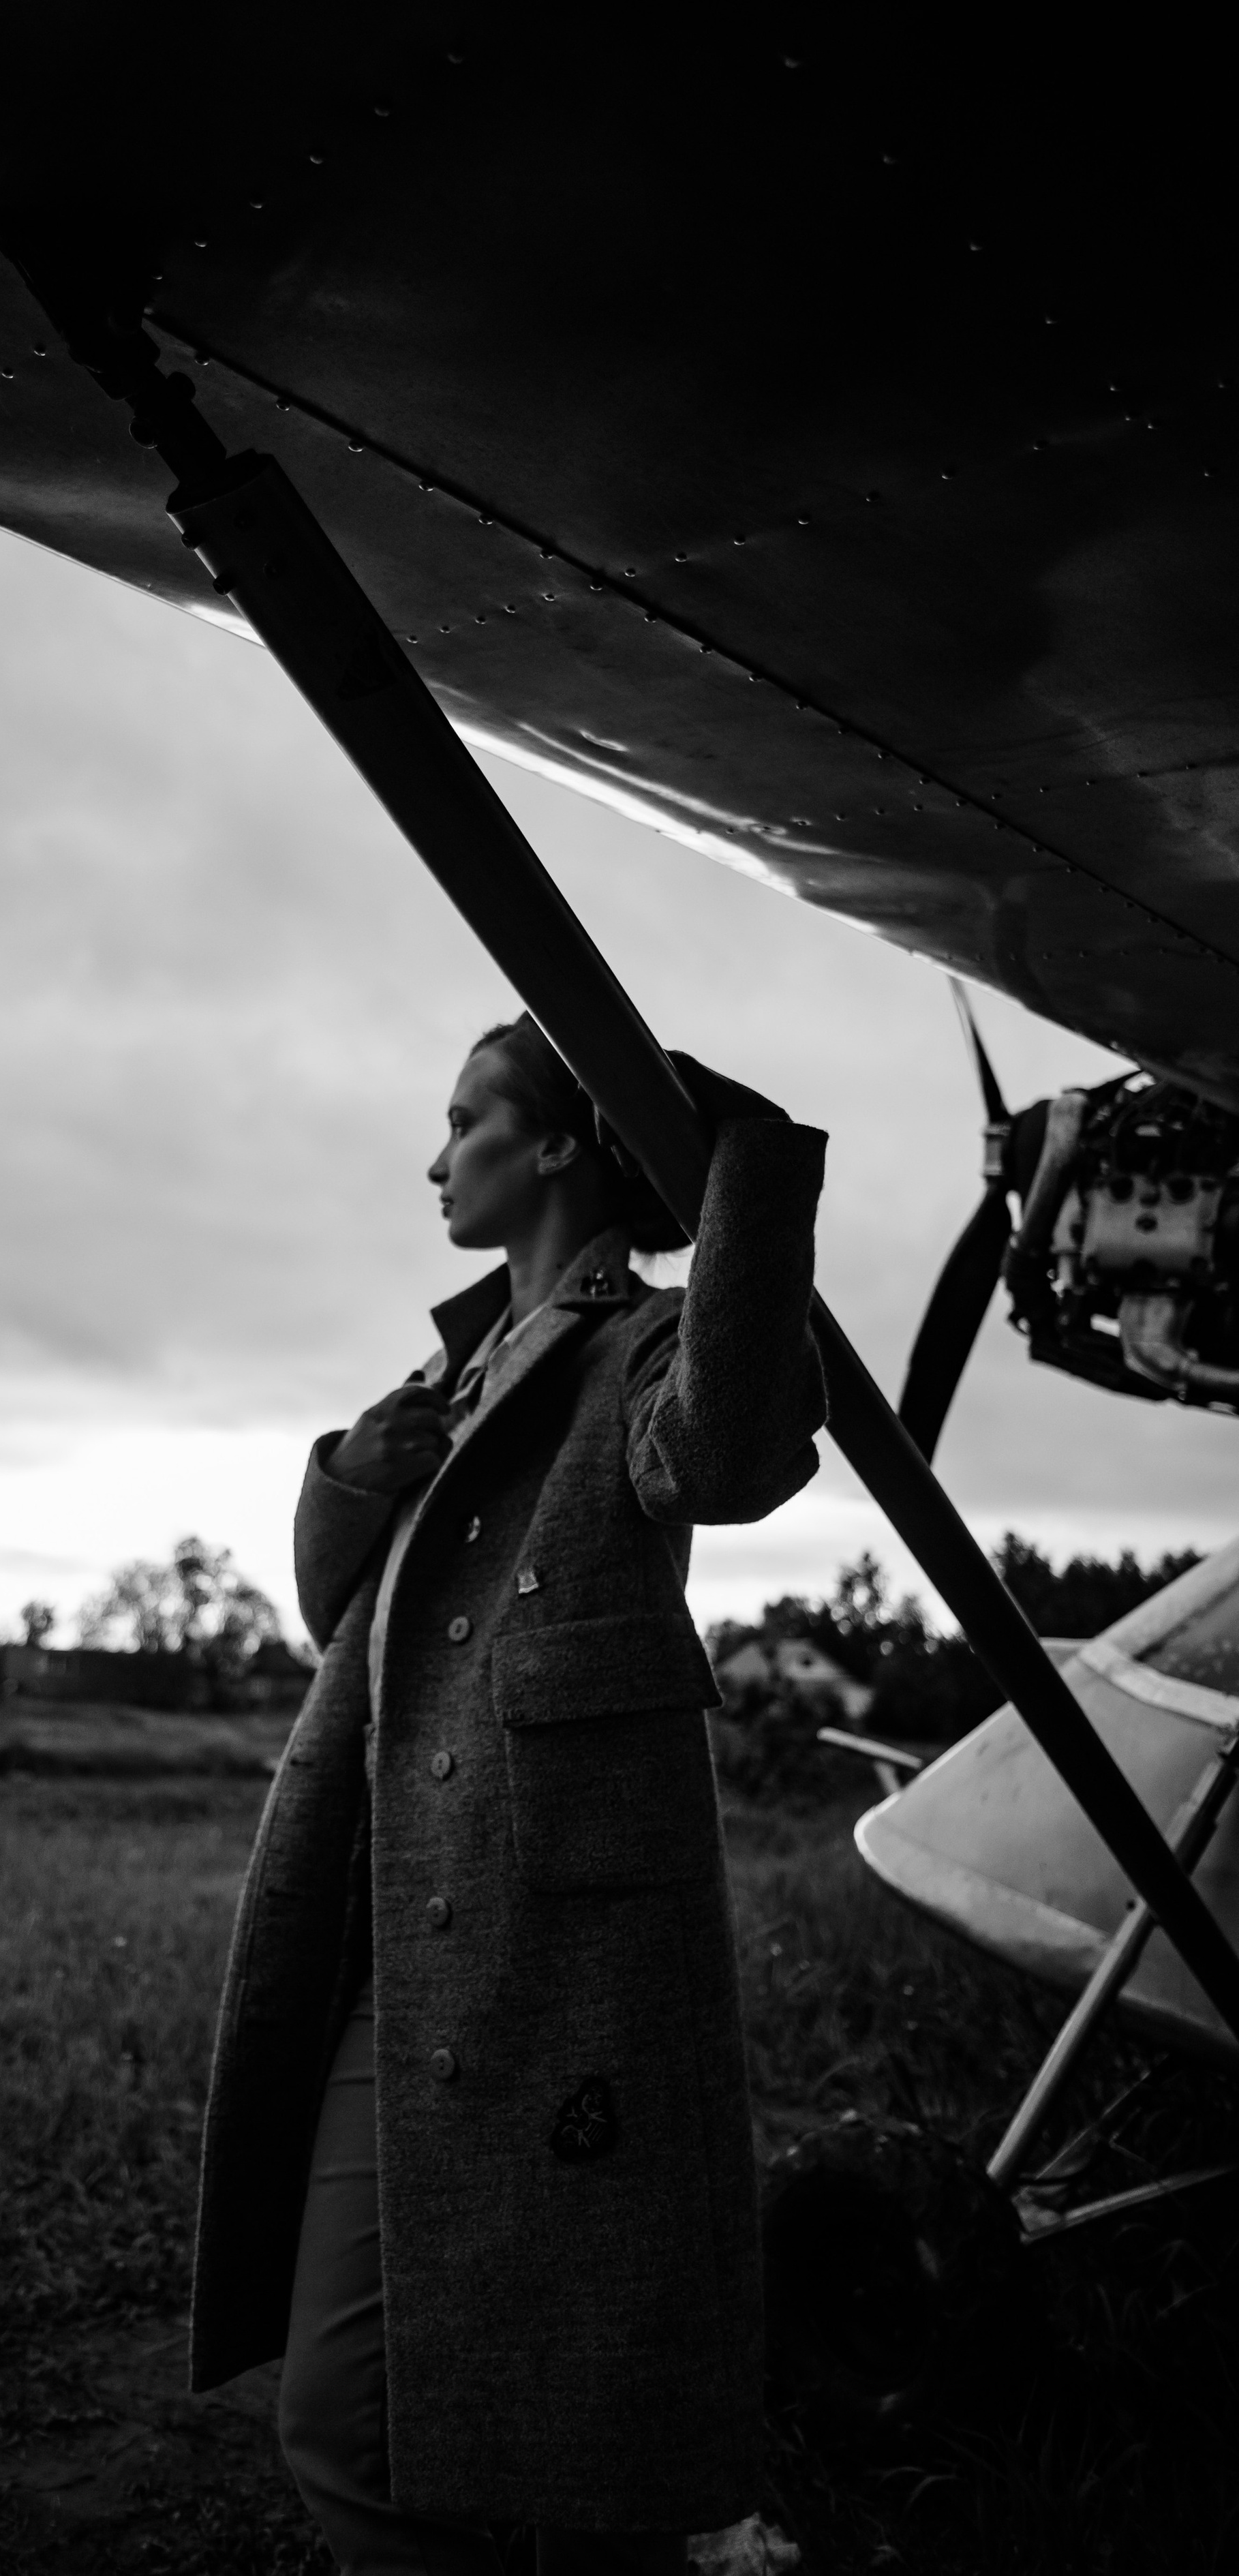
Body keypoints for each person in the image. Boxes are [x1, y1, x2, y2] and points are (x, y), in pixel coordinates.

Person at [189, 1014, 827, 2573]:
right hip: (390, 1916)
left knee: (559, 2445)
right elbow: (330, 1611)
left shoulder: (642, 1340)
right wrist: (354, 1463)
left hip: (559, 1945)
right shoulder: (450, 1363)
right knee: (354, 2419)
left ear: (555, 1144)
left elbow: (734, 1456)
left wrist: (745, 1162)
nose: (433, 1157)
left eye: (463, 1118)